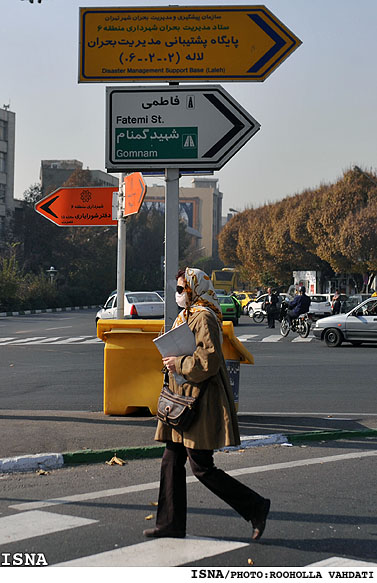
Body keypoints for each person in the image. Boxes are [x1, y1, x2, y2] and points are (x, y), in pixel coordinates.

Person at [144, 267, 270, 541]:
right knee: (171, 460)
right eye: (177, 290)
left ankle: (255, 506)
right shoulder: (185, 316)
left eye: (181, 289)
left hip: (199, 401)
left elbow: (209, 361)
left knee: (201, 466)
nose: (177, 295)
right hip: (181, 399)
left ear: (194, 289)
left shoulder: (204, 317)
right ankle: (170, 525)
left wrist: (178, 363)